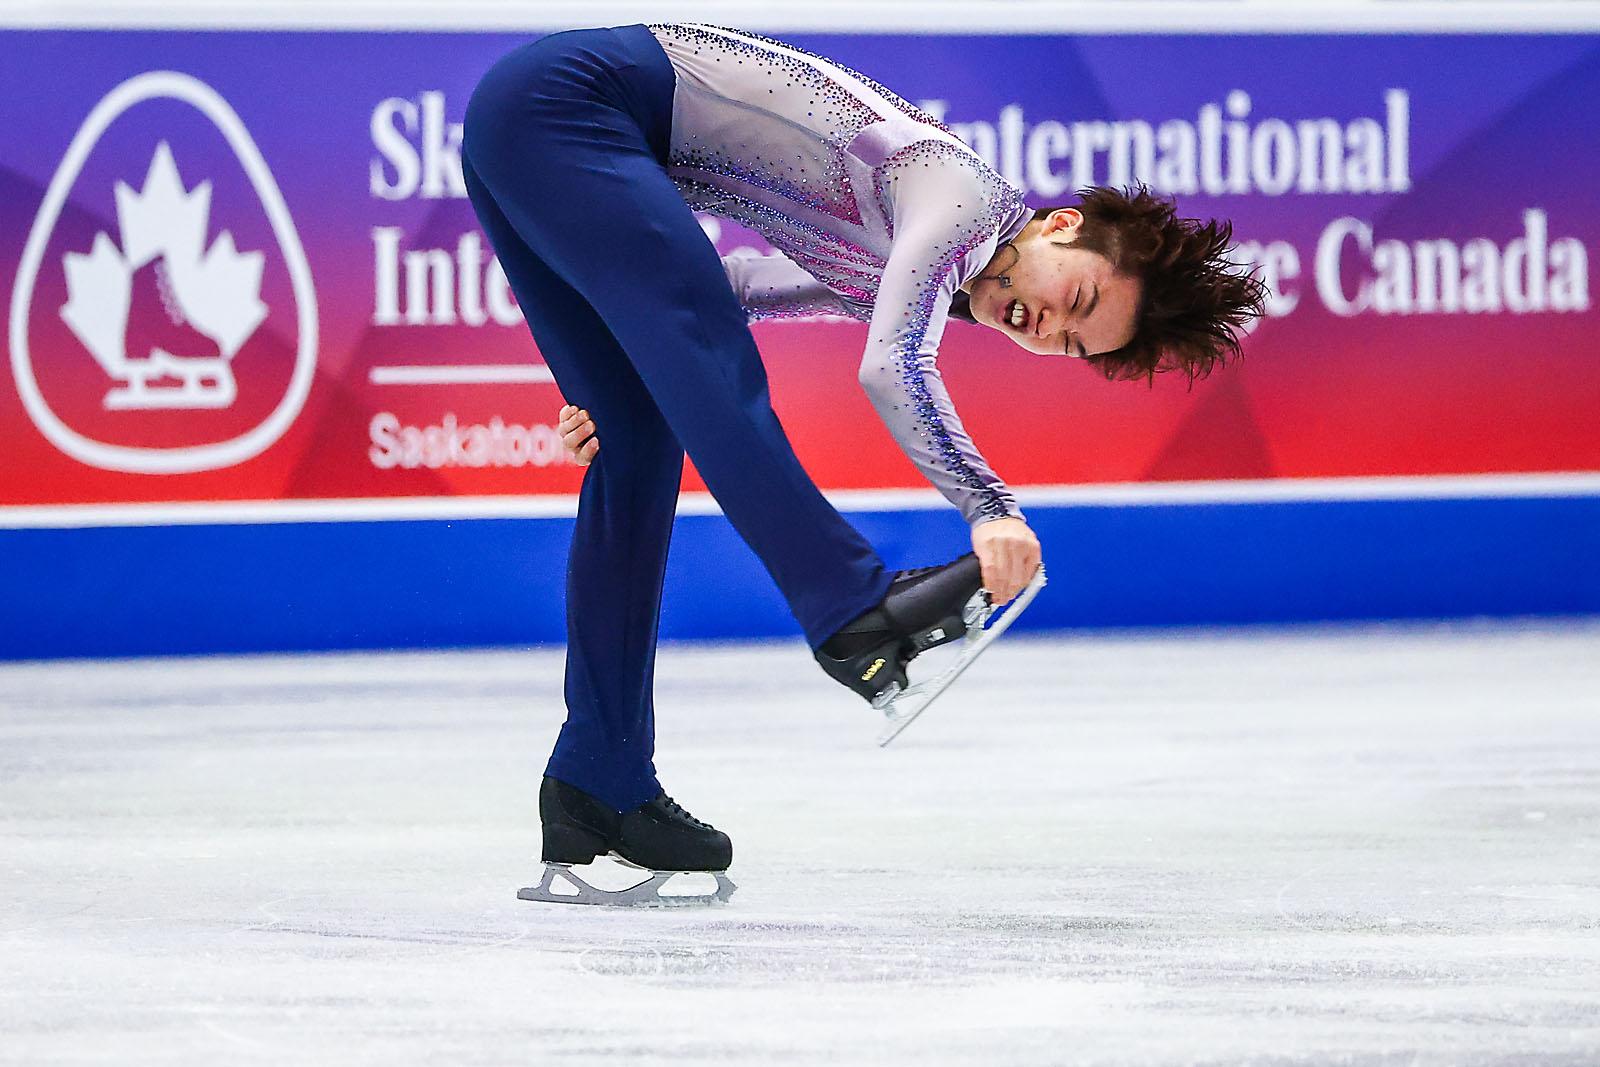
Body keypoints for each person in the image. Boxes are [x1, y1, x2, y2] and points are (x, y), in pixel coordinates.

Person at [462, 23, 1264, 896]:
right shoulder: (957, 201)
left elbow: (722, 297)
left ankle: (598, 778)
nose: (1045, 327)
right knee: (698, 362)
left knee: (637, 436)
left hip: (529, 127)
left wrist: (612, 379)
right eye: (1072, 297)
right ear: (1064, 225)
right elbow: (890, 366)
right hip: (569, 104)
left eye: (1070, 343)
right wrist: (990, 505)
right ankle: (849, 607)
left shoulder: (917, 258)